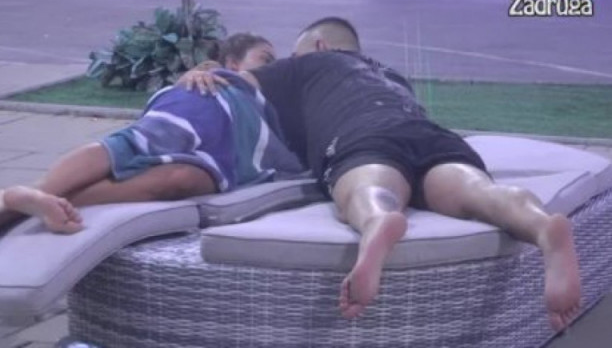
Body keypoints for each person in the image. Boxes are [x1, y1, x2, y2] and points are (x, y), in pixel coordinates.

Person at [179, 17, 581, 331]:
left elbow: (234, 84)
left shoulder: (307, 65)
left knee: (369, 186)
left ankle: (377, 220)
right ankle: (542, 226)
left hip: (361, 135)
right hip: (429, 133)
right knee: (475, 190)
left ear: (318, 45)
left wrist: (203, 69)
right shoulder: (391, 75)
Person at [0, 33, 302, 233]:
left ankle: (29, 205)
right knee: (139, 143)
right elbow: (210, 71)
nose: (273, 66)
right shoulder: (216, 80)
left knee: (181, 180)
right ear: (233, 64)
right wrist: (205, 71)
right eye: (266, 58)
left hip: (236, 151)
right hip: (210, 103)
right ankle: (38, 192)